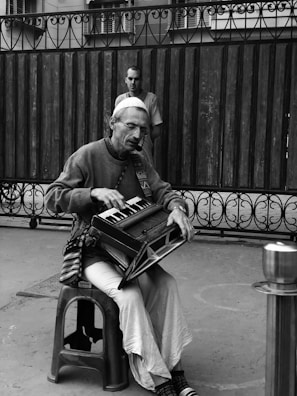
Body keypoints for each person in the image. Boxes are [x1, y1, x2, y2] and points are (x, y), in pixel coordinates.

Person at [45, 97, 199, 396]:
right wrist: (92, 193)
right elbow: (53, 197)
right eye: (130, 126)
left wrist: (177, 207)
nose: (137, 135)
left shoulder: (139, 161)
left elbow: (162, 191)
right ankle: (157, 376)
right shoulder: (87, 155)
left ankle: (174, 367)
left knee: (166, 284)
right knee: (128, 294)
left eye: (142, 129)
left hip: (129, 253)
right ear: (112, 123)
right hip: (92, 254)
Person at [115, 65, 163, 164]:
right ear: (125, 80)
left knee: (144, 173)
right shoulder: (120, 100)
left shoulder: (151, 99)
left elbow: (157, 129)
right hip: (123, 144)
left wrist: (145, 139)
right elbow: (115, 125)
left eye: (136, 79)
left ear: (141, 80)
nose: (133, 83)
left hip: (142, 146)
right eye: (130, 79)